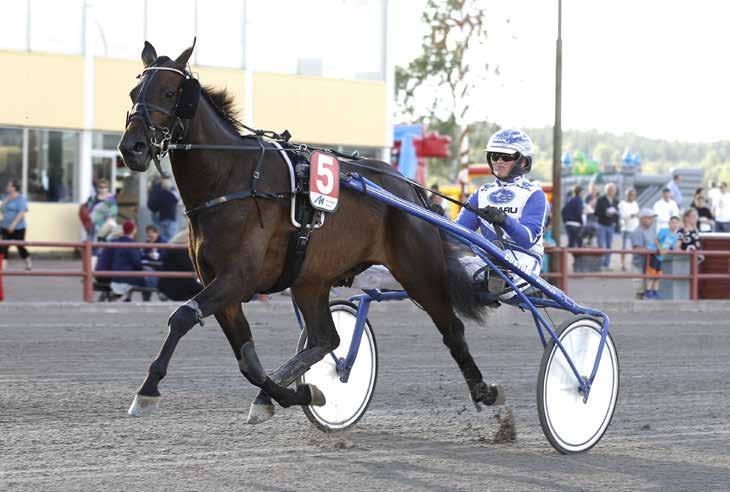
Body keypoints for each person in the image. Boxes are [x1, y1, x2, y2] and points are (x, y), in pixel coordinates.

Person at [455, 129, 549, 298]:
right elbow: (456, 234)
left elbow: (527, 240)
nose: (498, 161)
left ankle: (495, 279)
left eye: (506, 157)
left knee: (495, 274)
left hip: (522, 263)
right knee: (444, 268)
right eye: (494, 156)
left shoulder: (534, 194)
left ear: (523, 161)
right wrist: (434, 217)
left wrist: (505, 220)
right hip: (486, 260)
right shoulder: (481, 193)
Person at [158, 228, 202, 301]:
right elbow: (189, 274)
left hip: (169, 286)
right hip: (177, 289)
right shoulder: (182, 250)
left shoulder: (177, 244)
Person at [630, 209, 663, 300]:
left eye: (651, 218)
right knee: (640, 290)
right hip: (639, 264)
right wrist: (651, 250)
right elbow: (637, 249)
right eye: (649, 218)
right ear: (642, 219)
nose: (651, 220)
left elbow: (656, 242)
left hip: (650, 264)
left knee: (649, 287)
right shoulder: (637, 232)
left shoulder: (652, 230)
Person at [0, 179, 32, 271]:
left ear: (14, 188)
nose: (7, 187)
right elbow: (2, 210)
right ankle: (2, 267)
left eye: (9, 185)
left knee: (20, 246)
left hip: (18, 228)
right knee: (4, 247)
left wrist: (13, 225)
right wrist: (4, 203)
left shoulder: (21, 198)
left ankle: (28, 263)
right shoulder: (6, 197)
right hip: (5, 226)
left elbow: (22, 212)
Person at [595, 183, 619, 270]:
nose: (612, 191)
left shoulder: (616, 201)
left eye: (613, 190)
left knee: (609, 246)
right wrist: (606, 213)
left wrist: (615, 221)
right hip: (601, 225)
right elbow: (596, 212)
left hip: (611, 226)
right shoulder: (601, 200)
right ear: (606, 190)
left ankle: (606, 265)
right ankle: (600, 265)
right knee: (601, 246)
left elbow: (617, 213)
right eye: (610, 190)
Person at [147, 175, 180, 241]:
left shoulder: (157, 189)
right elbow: (176, 199)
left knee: (162, 238)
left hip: (162, 217)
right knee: (170, 239)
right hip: (165, 218)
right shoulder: (165, 190)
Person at [86, 178, 118, 243]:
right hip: (95, 223)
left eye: (105, 187)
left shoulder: (111, 199)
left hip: (107, 224)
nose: (103, 189)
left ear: (108, 188)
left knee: (112, 224)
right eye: (101, 187)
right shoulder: (92, 198)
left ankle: (100, 239)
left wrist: (106, 215)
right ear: (97, 188)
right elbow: (89, 211)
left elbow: (114, 212)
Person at [618, 188, 639, 271]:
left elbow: (636, 215)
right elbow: (624, 216)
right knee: (624, 248)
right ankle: (623, 265)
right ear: (626, 195)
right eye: (630, 194)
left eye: (633, 195)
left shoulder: (635, 204)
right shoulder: (622, 204)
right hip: (626, 229)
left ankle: (634, 264)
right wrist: (633, 215)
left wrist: (633, 216)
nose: (631, 196)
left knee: (635, 248)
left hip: (635, 229)